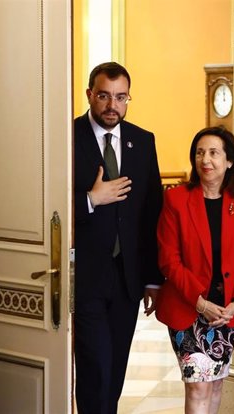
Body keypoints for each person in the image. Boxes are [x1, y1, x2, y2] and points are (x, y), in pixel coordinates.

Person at [73, 61, 164, 414]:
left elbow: (152, 211)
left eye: (121, 97)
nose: (112, 105)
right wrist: (91, 200)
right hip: (87, 279)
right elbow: (47, 208)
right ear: (90, 95)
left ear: (129, 98)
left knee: (115, 372)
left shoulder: (142, 141)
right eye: (104, 96)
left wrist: (153, 280)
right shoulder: (68, 137)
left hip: (128, 280)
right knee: (95, 368)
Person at [155, 126, 234, 414]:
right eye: (200, 153)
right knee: (198, 387)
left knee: (214, 386)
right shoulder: (176, 199)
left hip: (227, 314)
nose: (205, 160)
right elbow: (169, 260)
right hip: (188, 310)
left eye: (213, 153)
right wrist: (201, 303)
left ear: (229, 161)